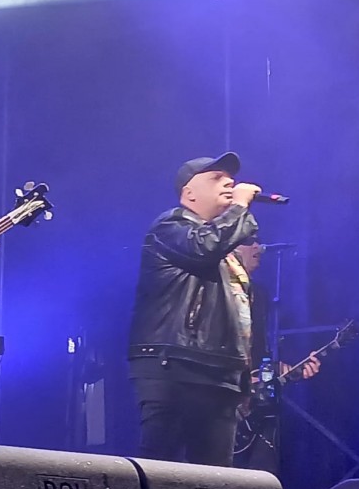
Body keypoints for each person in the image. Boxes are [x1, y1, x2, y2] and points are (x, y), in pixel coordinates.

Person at [128, 152, 262, 467]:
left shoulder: (228, 253)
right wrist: (240, 207)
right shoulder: (170, 226)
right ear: (189, 193)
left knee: (216, 481)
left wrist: (242, 378)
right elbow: (203, 247)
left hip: (221, 373)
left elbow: (237, 319)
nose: (229, 182)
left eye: (230, 178)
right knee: (162, 472)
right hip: (176, 365)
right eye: (216, 178)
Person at [231, 236, 320, 471]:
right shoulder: (214, 289)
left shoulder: (259, 295)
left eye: (258, 241)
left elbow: (261, 349)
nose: (257, 247)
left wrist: (285, 370)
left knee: (262, 477)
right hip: (220, 400)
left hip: (256, 407)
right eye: (249, 241)